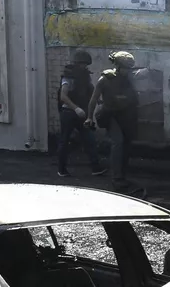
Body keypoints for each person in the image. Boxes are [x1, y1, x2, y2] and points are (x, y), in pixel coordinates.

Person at [91, 50, 140, 192]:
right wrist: (89, 117)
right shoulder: (105, 79)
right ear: (118, 67)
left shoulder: (130, 79)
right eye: (125, 68)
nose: (127, 71)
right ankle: (116, 179)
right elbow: (94, 99)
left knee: (126, 145)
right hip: (110, 115)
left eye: (129, 69)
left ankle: (122, 176)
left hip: (126, 117)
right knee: (118, 142)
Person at [54, 50, 105, 178]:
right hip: (69, 112)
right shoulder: (69, 76)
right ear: (77, 63)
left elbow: (90, 89)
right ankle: (61, 169)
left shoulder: (85, 76)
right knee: (65, 141)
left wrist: (98, 100)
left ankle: (96, 168)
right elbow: (63, 96)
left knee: (89, 140)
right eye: (82, 64)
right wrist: (76, 108)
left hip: (82, 113)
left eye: (86, 64)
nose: (84, 67)